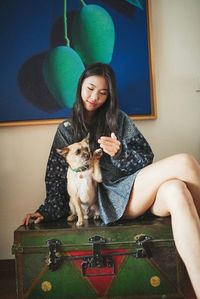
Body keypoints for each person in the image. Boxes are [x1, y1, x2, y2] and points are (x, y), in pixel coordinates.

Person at [24, 62, 200, 298]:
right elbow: (56, 177)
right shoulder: (66, 130)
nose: (94, 96)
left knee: (177, 190)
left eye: (103, 92)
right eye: (90, 88)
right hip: (109, 199)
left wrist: (120, 154)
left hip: (137, 189)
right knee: (186, 162)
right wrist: (46, 210)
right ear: (80, 88)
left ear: (109, 96)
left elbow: (145, 159)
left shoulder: (120, 120)